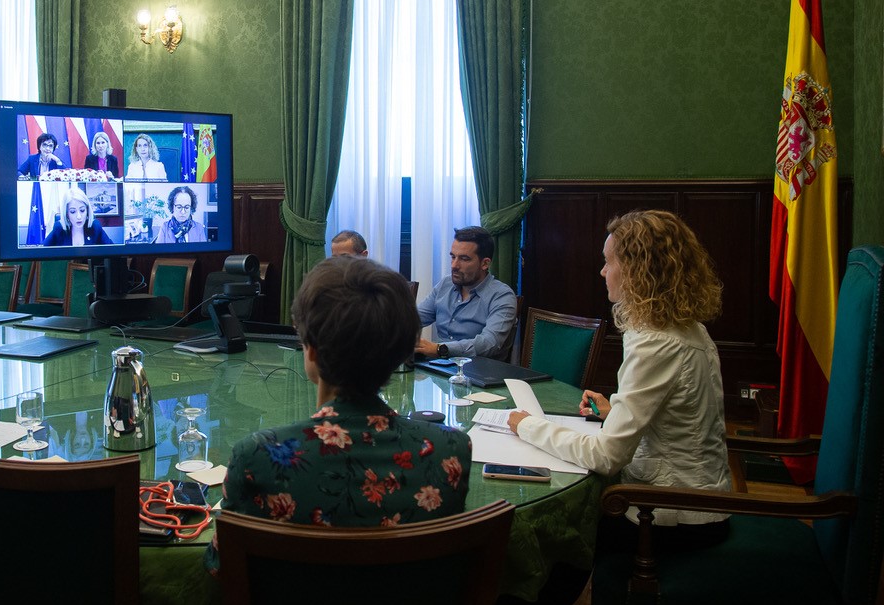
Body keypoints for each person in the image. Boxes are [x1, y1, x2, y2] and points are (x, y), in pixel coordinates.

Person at [205, 256, 471, 573]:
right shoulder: (452, 450)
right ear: (402, 352)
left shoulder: (257, 455)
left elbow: (219, 566)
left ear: (311, 350)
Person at [508, 209, 731, 547]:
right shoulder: (684, 327)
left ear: (637, 271)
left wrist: (527, 425)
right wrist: (615, 412)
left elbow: (606, 456)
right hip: (698, 500)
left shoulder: (656, 341)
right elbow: (681, 419)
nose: (603, 272)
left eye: (608, 262)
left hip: (673, 514)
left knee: (559, 539)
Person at [416, 226, 517, 361]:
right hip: (438, 368)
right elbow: (413, 319)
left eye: (464, 259)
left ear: (485, 263)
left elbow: (489, 343)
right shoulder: (445, 284)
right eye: (453, 257)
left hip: (479, 373)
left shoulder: (502, 296)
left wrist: (440, 349)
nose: (454, 265)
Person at [44, 185, 111, 246]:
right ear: (67, 214)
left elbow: (113, 252)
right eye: (73, 212)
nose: (79, 216)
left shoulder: (95, 227)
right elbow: (40, 252)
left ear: (87, 210)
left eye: (82, 210)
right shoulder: (59, 228)